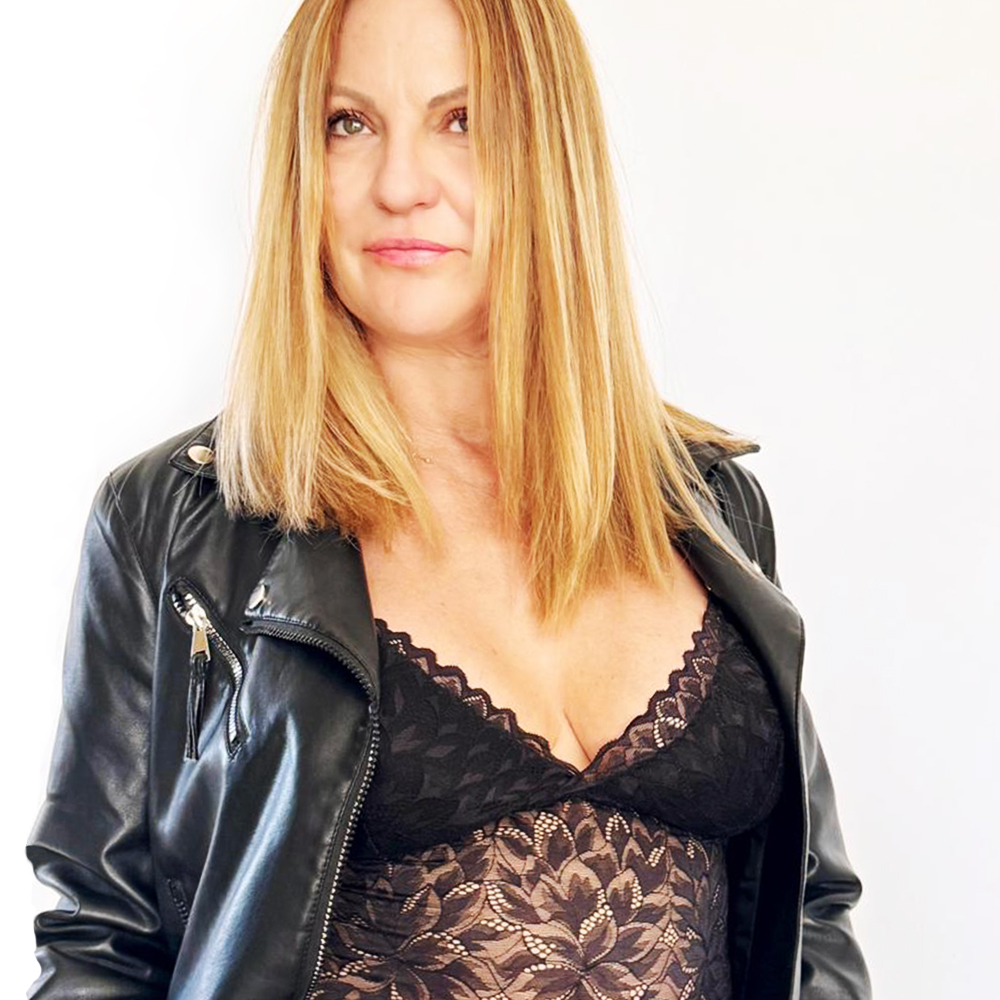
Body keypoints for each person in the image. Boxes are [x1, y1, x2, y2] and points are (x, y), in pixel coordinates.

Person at [25, 0, 873, 998]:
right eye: (348, 123)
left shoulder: (709, 506)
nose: (400, 185)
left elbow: (808, 908)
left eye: (460, 120)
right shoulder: (177, 527)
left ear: (549, 150)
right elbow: (100, 948)